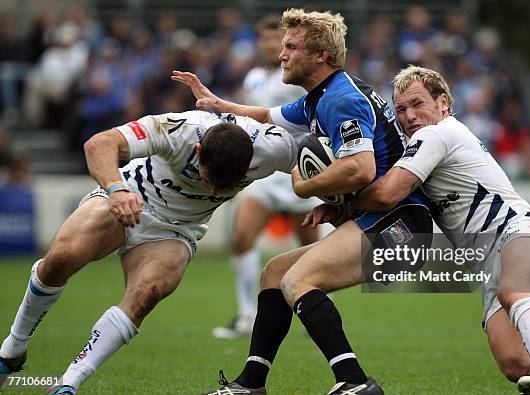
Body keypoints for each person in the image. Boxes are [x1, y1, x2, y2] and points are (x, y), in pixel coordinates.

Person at [173, 8, 432, 395]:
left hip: (402, 226)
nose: (282, 54)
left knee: (299, 279)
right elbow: (266, 114)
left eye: (291, 47)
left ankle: (356, 383)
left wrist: (303, 186)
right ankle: (250, 384)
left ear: (320, 56)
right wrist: (218, 104)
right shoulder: (321, 96)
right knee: (275, 274)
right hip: (382, 217)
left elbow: (359, 169)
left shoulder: (340, 99)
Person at [336, 65, 530, 395]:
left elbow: (386, 194)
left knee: (516, 296)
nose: (409, 115)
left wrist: (342, 202)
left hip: (522, 232)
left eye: (418, 103)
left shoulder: (436, 133)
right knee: (517, 363)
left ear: (444, 104)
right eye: (401, 109)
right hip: (491, 261)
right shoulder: (425, 146)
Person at [0, 106, 298, 394]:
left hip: (176, 229)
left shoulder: (274, 147)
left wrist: (333, 201)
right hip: (127, 196)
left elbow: (320, 159)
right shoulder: (177, 129)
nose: (216, 193)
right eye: (210, 180)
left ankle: (69, 382)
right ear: (197, 152)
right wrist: (115, 188)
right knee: (62, 258)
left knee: (147, 293)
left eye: (226, 186)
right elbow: (99, 144)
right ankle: (13, 348)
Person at [212, 15, 321, 339]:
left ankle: (315, 308)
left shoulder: (298, 76)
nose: (272, 45)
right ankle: (248, 314)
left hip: (297, 167)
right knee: (241, 237)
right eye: (266, 40)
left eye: (278, 40)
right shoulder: (255, 77)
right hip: (263, 172)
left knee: (310, 250)